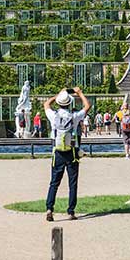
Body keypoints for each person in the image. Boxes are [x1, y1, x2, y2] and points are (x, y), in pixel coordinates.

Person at [44, 87, 91, 221]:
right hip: (72, 153)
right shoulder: (74, 117)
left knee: (54, 183)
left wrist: (59, 93)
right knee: (72, 183)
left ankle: (49, 209)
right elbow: (87, 106)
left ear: (59, 103)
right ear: (69, 103)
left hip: (57, 152)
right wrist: (79, 93)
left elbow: (46, 104)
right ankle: (70, 211)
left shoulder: (53, 116)